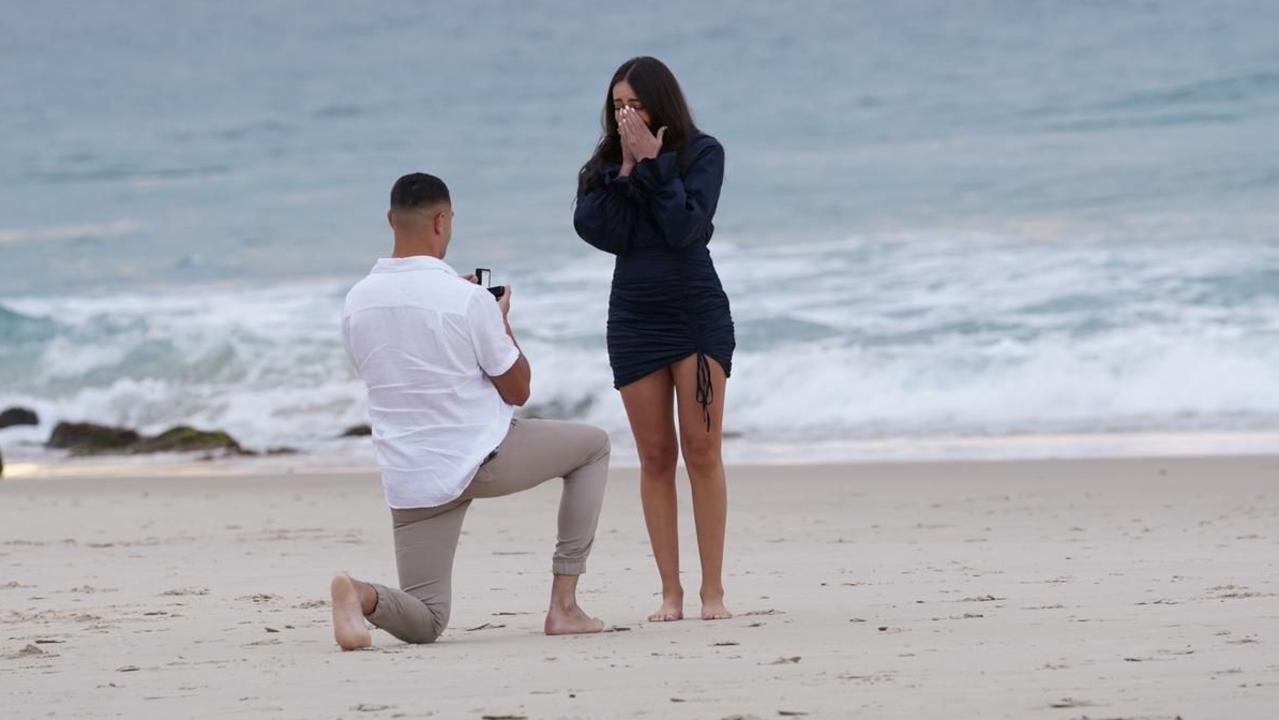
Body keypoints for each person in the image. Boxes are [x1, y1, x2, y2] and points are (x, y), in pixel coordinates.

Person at [331, 172, 611, 650]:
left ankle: (361, 594)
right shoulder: (465, 299)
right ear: (442, 221)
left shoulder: (356, 302)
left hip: (410, 475)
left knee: (427, 621)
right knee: (593, 448)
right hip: (482, 458)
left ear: (390, 220)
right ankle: (564, 606)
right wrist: (499, 320)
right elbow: (518, 389)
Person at [573, 57, 735, 622]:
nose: (625, 115)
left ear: (659, 104)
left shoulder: (701, 153)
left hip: (694, 313)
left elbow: (686, 230)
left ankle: (713, 591)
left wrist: (654, 166)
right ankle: (671, 592)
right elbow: (602, 230)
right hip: (635, 318)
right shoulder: (600, 168)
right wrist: (626, 168)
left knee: (700, 450)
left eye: (635, 104)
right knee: (655, 456)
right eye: (618, 105)